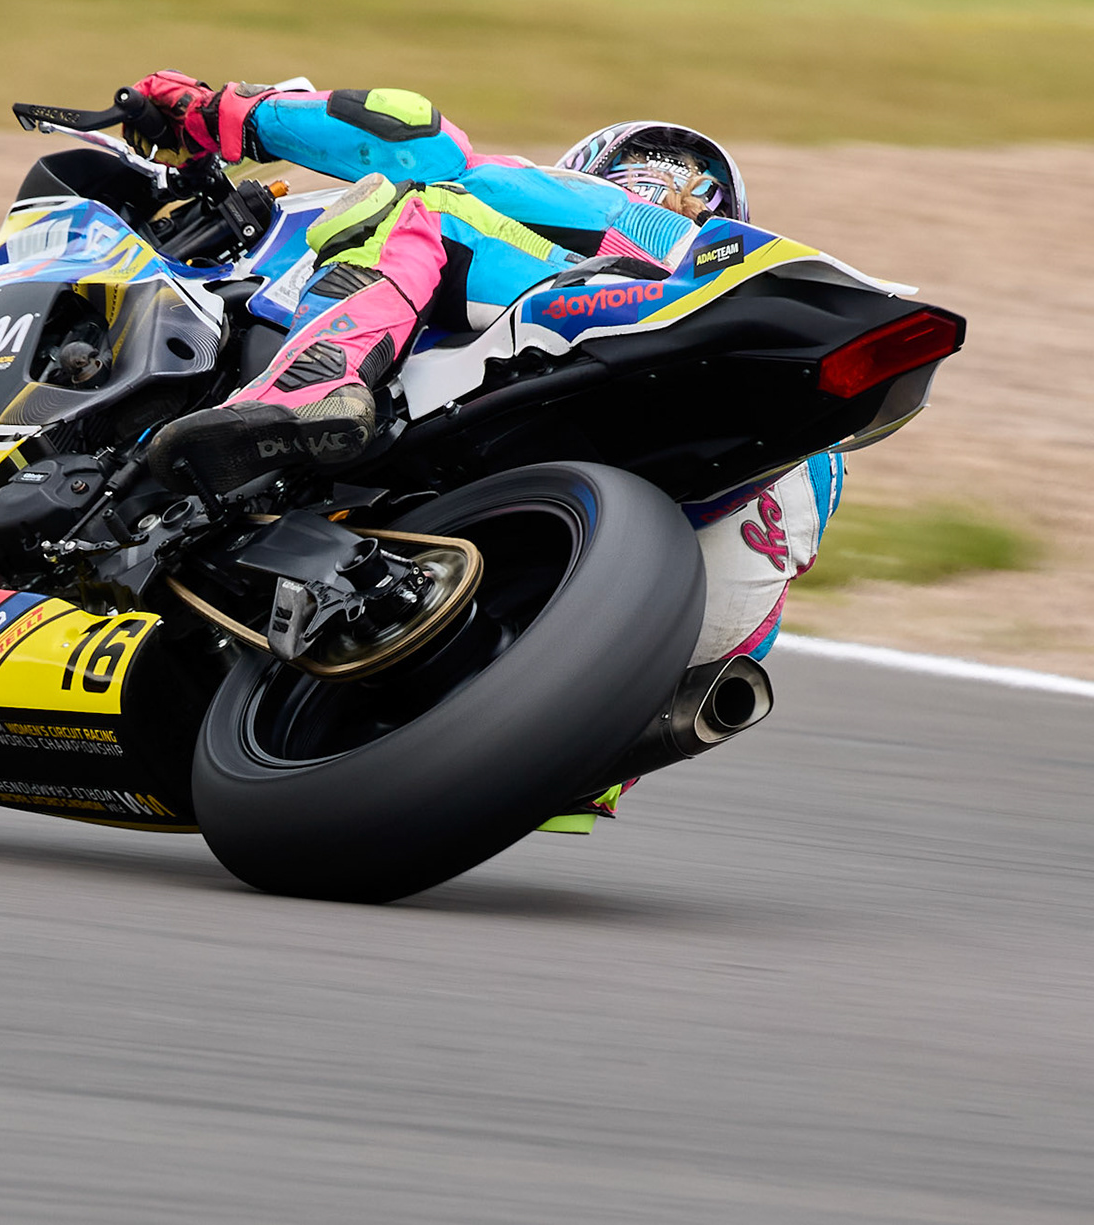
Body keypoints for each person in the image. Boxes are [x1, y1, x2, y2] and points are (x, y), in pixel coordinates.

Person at [121, 71, 839, 823]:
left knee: (416, 199)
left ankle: (317, 378)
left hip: (614, 349)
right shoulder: (814, 457)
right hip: (677, 631)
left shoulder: (581, 205)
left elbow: (410, 130)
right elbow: (756, 609)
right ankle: (584, 755)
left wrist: (216, 112)